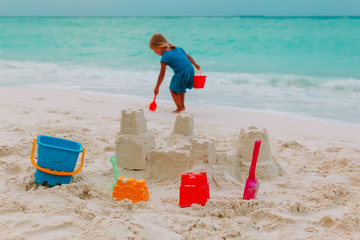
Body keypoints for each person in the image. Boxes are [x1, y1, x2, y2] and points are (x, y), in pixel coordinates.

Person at [149, 33, 200, 113]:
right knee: (181, 89)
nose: (155, 52)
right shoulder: (178, 48)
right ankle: (182, 106)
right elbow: (189, 57)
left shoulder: (164, 57)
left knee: (173, 89)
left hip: (181, 73)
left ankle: (179, 108)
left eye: (154, 50)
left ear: (159, 46)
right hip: (190, 69)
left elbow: (162, 74)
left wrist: (157, 87)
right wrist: (196, 65)